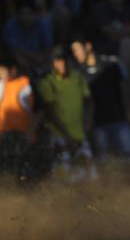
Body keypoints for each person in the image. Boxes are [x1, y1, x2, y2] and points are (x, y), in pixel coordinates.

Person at [38, 46, 96, 181]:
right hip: (58, 134)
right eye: (58, 61)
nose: (62, 64)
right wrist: (66, 134)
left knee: (89, 174)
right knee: (62, 174)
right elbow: (50, 111)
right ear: (53, 64)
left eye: (64, 60)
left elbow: (88, 101)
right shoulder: (47, 82)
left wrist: (87, 123)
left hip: (79, 133)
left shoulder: (77, 77)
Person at [71, 37, 130, 157]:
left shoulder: (111, 63)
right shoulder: (78, 72)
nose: (76, 54)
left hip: (119, 120)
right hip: (98, 124)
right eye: (73, 51)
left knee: (129, 158)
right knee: (104, 160)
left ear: (88, 47)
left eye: (78, 50)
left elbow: (126, 88)